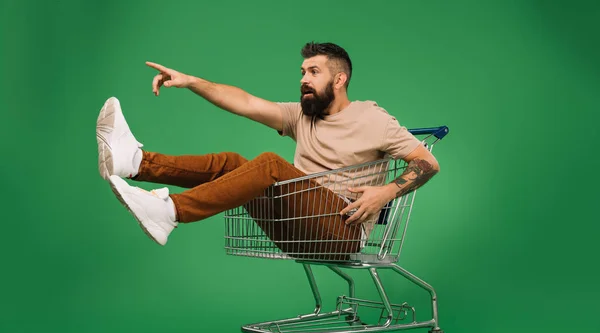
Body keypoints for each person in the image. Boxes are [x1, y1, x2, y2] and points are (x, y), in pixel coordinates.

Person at [96, 42, 440, 250]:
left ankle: (171, 212)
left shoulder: (373, 119)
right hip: (293, 229)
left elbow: (427, 162)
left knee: (270, 165)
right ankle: (137, 163)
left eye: (314, 71)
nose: (304, 78)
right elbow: (245, 102)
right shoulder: (300, 115)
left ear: (339, 79)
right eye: (303, 71)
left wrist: (385, 194)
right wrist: (190, 82)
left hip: (341, 232)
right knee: (232, 162)